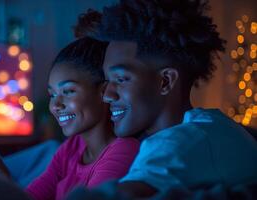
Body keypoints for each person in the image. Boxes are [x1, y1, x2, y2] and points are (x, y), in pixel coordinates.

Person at [75, 0, 257, 198]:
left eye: (121, 79)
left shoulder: (177, 143)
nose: (107, 95)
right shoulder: (214, 127)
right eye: (107, 80)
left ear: (166, 81)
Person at [24, 10, 140, 200]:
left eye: (68, 91)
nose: (56, 105)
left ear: (104, 92)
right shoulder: (71, 147)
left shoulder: (124, 150)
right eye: (52, 94)